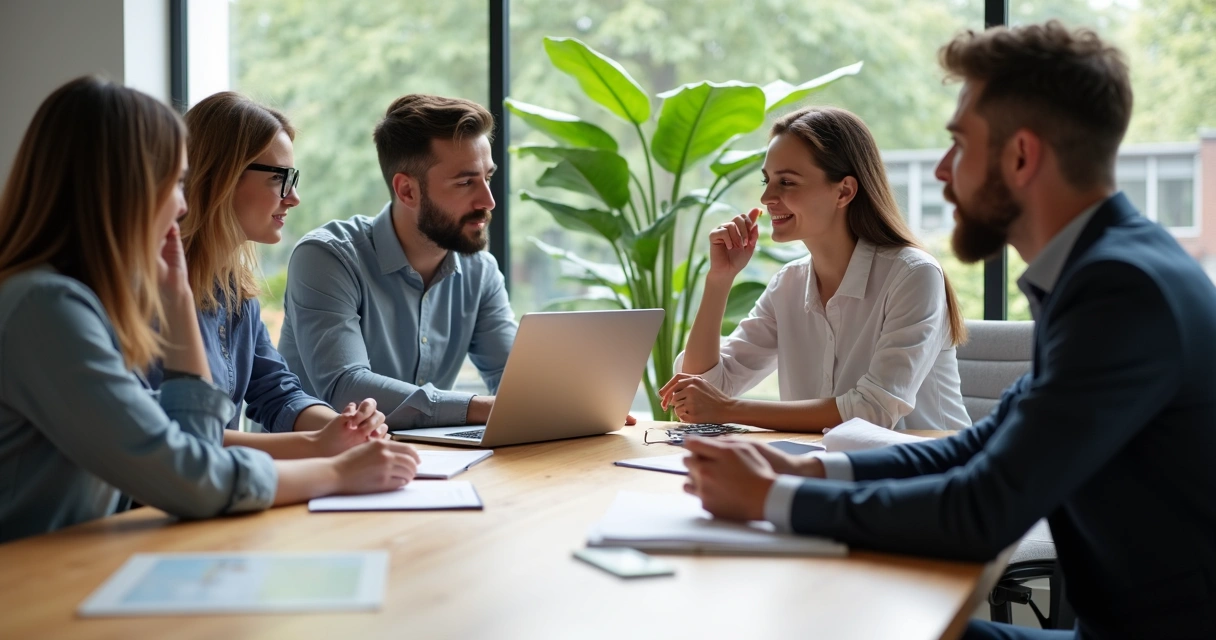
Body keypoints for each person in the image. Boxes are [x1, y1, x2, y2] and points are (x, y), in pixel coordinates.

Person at [681, 22, 1216, 639]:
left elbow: (983, 507)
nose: (940, 171)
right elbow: (983, 444)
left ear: (1021, 155)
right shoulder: (1108, 269)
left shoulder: (1122, 291)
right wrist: (808, 473)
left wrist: (774, 501)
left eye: (958, 144)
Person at [0, 77, 421, 543]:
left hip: (87, 560)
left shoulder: (97, 297)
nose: (182, 202)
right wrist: (335, 471)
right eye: (175, 182)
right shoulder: (48, 308)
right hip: (31, 581)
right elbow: (188, 475)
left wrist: (179, 300)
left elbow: (202, 444)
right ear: (124, 187)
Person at [661, 106, 970, 433]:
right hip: (825, 470)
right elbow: (700, 389)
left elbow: (872, 410)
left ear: (844, 191)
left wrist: (728, 409)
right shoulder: (789, 284)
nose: (767, 197)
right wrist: (719, 279)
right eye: (767, 180)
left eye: (787, 182)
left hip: (929, 475)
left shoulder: (913, 275)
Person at [146, 91, 389, 460]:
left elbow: (277, 393)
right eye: (280, 178)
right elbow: (168, 433)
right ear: (221, 177)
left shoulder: (233, 291)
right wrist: (315, 444)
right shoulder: (145, 292)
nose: (293, 198)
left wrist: (343, 427)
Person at [277, 94, 516, 429]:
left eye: (487, 178)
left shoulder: (480, 271)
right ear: (407, 191)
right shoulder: (327, 258)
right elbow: (347, 389)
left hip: (425, 463)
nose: (488, 201)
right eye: (465, 182)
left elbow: (515, 381)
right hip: (313, 468)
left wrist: (568, 408)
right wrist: (478, 408)